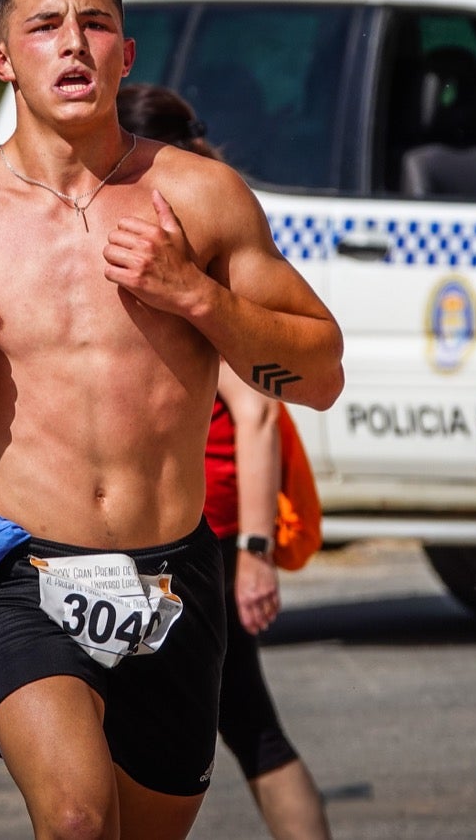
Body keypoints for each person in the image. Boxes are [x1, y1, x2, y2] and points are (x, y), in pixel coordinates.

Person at [0, 0, 344, 840]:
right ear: (4, 61)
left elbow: (322, 370)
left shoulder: (203, 199)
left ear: (125, 56)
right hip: (26, 571)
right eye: (46, 27)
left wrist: (199, 297)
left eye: (96, 25)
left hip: (177, 575)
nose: (73, 45)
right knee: (74, 818)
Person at [118, 84, 332, 840]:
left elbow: (260, 413)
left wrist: (253, 554)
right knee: (237, 730)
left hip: (198, 538)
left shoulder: (191, 246)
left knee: (252, 731)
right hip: (159, 539)